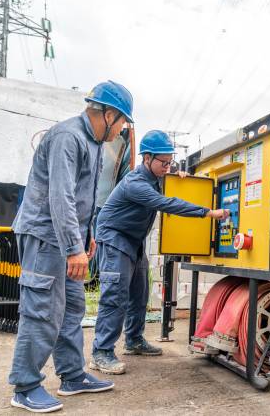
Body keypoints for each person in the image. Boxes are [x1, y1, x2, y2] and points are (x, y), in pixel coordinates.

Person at [9, 81, 134, 413]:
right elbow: (60, 197)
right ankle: (25, 386)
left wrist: (86, 234)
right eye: (122, 122)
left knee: (72, 308)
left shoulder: (93, 143)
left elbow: (84, 197)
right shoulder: (68, 136)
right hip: (45, 236)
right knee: (42, 309)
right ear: (108, 114)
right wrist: (73, 248)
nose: (121, 129)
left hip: (67, 238)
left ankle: (72, 376)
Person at [90, 130, 229, 374]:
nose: (168, 167)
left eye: (170, 162)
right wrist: (207, 212)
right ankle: (101, 352)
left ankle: (134, 340)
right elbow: (167, 203)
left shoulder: (156, 177)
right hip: (114, 239)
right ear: (147, 158)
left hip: (134, 241)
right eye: (164, 162)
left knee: (139, 294)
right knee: (115, 296)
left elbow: (168, 186)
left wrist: (179, 175)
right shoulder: (135, 183)